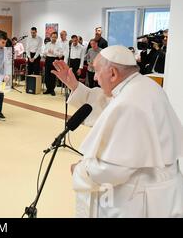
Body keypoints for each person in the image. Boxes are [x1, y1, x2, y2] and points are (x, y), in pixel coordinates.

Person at [52, 45, 183, 218]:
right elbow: (108, 105)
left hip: (140, 198)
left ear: (113, 73)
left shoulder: (129, 102)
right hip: (159, 191)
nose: (96, 78)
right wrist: (75, 86)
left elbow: (113, 169)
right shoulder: (141, 85)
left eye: (97, 72)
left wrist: (81, 170)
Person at [42, 32, 63, 96]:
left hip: (55, 60)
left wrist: (53, 52)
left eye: (55, 37)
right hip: (48, 59)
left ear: (57, 37)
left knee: (53, 75)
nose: (54, 38)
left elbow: (60, 55)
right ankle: (48, 89)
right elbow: (44, 52)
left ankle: (52, 90)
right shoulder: (48, 44)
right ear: (51, 37)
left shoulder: (59, 45)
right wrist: (46, 52)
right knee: (47, 75)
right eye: (52, 37)